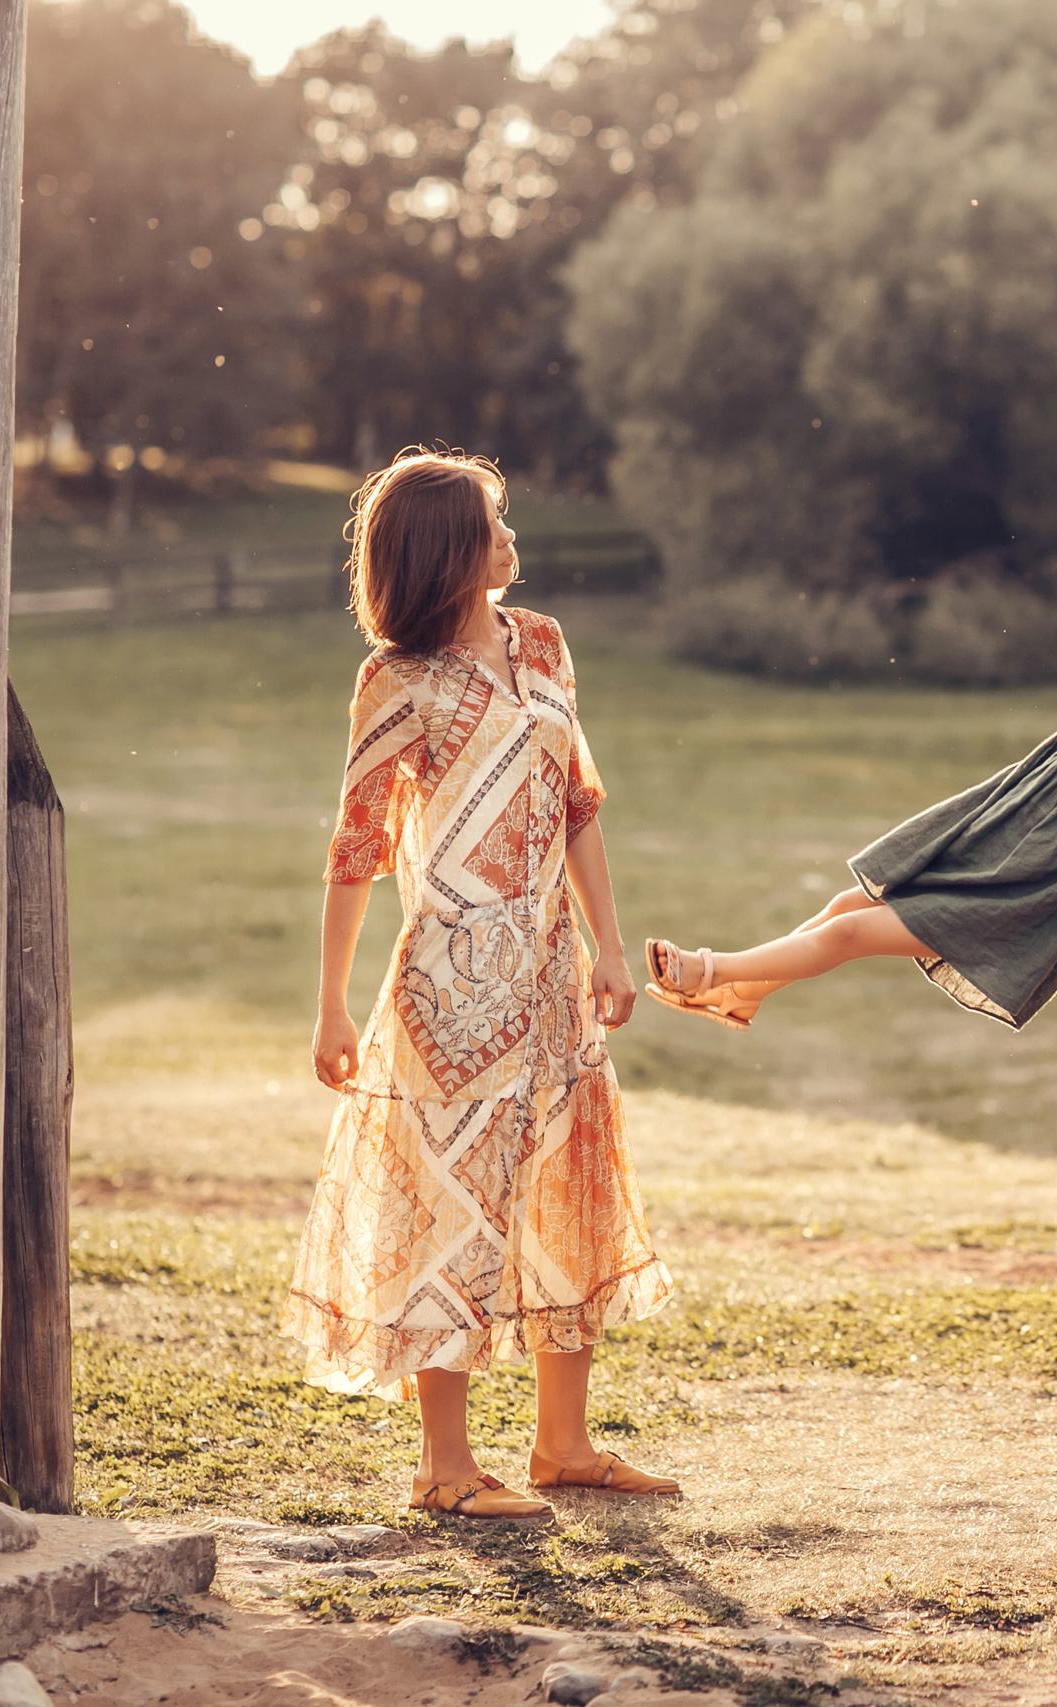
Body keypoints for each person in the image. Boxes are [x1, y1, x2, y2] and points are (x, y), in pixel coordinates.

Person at [282, 449, 678, 1521]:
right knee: (449, 1204)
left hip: (551, 969)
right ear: (449, 550)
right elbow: (355, 845)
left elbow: (580, 803)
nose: (513, 535)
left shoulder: (540, 640)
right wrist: (329, 1004)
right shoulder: (396, 682)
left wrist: (606, 944)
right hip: (449, 983)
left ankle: (564, 1445)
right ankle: (444, 1468)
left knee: (568, 1185)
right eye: (494, 521)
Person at [642, 554, 1057, 1032]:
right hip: (979, 866)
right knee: (845, 907)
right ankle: (749, 994)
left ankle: (713, 970)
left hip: (1014, 902)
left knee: (847, 936)